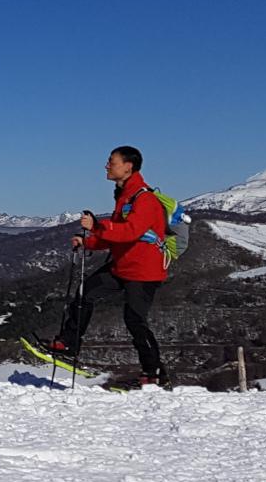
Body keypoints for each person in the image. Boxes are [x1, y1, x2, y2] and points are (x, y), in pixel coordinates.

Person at [45, 145, 171, 387]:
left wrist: (96, 226)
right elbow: (116, 234)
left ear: (128, 166)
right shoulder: (124, 196)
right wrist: (88, 241)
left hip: (143, 271)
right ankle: (69, 343)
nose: (106, 166)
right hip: (122, 266)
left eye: (111, 162)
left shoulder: (144, 199)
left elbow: (131, 231)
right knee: (85, 293)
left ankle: (154, 374)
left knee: (135, 321)